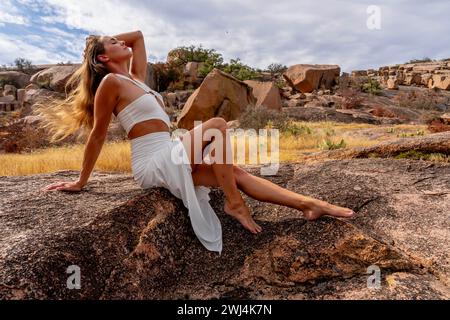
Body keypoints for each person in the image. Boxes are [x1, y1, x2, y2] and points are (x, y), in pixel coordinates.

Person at [38, 30, 354, 254]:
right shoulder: (111, 82)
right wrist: (81, 181)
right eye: (112, 42)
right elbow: (98, 135)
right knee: (216, 125)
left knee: (233, 172)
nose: (122, 41)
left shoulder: (137, 78)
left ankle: (310, 205)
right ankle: (234, 205)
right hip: (152, 162)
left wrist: (103, 44)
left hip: (170, 150)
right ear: (104, 57)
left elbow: (137, 36)